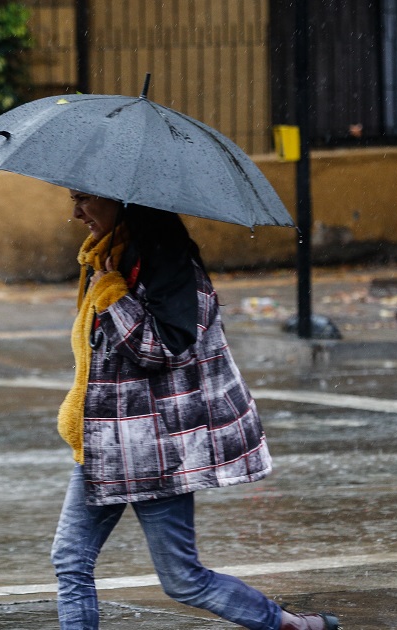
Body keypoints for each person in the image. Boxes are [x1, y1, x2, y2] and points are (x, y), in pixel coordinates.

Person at [51, 190, 340, 630]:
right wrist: (106, 283)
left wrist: (111, 294)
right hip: (107, 445)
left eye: (84, 199)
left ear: (123, 201)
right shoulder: (109, 259)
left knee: (182, 579)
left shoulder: (167, 265)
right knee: (70, 560)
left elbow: (159, 349)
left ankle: (290, 625)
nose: (76, 212)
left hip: (155, 450)